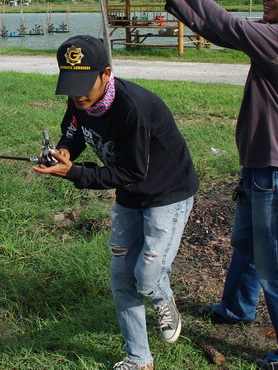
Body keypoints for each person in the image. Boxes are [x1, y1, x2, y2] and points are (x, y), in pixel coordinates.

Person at [146, 0, 278, 370]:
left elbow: (225, 25)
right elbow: (214, 28)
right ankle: (235, 309)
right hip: (261, 169)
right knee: (246, 246)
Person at [33, 34, 199, 370]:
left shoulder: (132, 107)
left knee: (148, 276)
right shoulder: (79, 100)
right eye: (70, 84)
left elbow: (133, 171)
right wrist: (64, 151)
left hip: (167, 194)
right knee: (123, 279)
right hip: (130, 196)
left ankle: (162, 296)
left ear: (106, 73)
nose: (77, 93)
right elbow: (74, 131)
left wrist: (75, 174)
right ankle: (139, 358)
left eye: (84, 83)